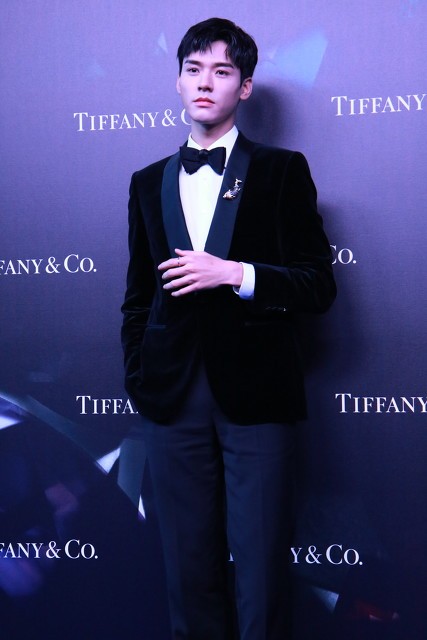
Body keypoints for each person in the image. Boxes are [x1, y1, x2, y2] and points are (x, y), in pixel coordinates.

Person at [121, 17, 336, 640]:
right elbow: (136, 299)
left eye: (221, 71)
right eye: (193, 69)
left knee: (263, 575)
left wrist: (235, 273)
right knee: (188, 574)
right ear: (178, 81)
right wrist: (139, 374)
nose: (204, 83)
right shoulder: (147, 182)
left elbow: (318, 285)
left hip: (257, 396)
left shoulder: (282, 170)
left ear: (244, 87)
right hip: (170, 397)